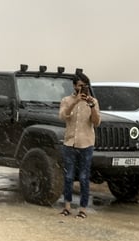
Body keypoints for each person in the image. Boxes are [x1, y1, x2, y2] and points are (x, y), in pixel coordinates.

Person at [58, 72, 101, 219]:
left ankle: (82, 209)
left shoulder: (93, 101)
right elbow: (63, 116)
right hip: (69, 143)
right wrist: (75, 102)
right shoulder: (66, 100)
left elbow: (96, 122)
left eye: (85, 86)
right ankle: (67, 207)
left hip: (86, 144)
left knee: (83, 177)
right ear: (74, 86)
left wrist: (92, 106)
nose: (82, 88)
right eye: (80, 86)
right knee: (68, 176)